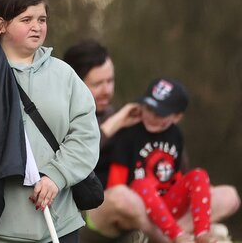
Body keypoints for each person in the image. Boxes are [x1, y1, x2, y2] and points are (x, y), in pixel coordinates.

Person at [63, 41, 239, 243]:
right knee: (125, 197)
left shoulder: (137, 119)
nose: (106, 90)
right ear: (74, 82)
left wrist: (164, 132)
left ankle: (177, 235)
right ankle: (170, 238)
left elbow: (176, 173)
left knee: (228, 196)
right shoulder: (65, 117)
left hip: (151, 208)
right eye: (97, 84)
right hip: (94, 212)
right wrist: (114, 125)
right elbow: (74, 157)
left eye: (110, 81)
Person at [0, 0, 100, 243]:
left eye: (42, 19)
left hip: (59, 225)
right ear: (2, 23)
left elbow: (86, 134)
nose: (37, 26)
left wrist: (56, 176)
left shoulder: (64, 75)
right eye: (26, 19)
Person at [106, 78, 212, 243]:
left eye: (160, 113)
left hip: (166, 205)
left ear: (177, 117)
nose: (151, 116)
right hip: (137, 208)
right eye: (148, 108)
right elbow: (116, 183)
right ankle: (177, 236)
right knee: (142, 183)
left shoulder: (176, 135)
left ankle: (203, 234)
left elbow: (175, 175)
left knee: (199, 175)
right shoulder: (130, 133)